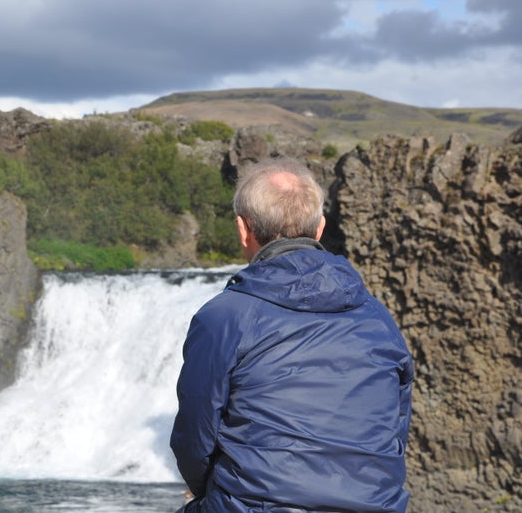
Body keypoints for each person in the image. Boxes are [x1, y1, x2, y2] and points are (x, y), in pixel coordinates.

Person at [170, 157, 413, 512]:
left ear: (243, 229)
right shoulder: (379, 319)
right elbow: (396, 429)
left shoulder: (224, 316)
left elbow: (196, 437)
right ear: (319, 229)